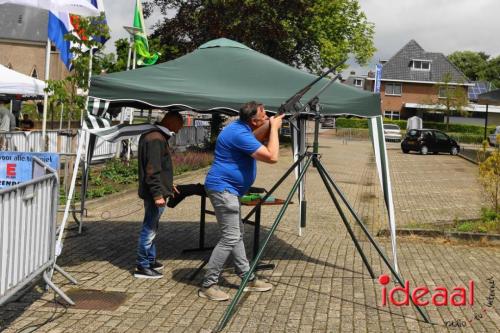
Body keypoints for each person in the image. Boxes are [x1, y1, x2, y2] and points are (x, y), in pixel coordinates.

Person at [199, 101, 284, 301]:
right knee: (230, 237)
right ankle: (208, 285)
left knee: (236, 235)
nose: (267, 118)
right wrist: (275, 130)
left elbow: (254, 139)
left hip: (228, 189)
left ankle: (248, 278)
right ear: (254, 121)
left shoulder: (239, 128)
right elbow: (272, 157)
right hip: (224, 189)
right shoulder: (238, 133)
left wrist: (269, 125)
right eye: (264, 117)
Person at [135, 111, 184, 279]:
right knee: (149, 229)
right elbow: (152, 170)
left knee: (152, 227)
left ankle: (150, 259)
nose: (179, 130)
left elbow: (158, 168)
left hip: (157, 190)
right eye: (179, 125)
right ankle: (142, 266)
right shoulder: (156, 138)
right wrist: (158, 194)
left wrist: (168, 185)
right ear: (171, 121)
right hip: (154, 194)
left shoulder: (154, 135)